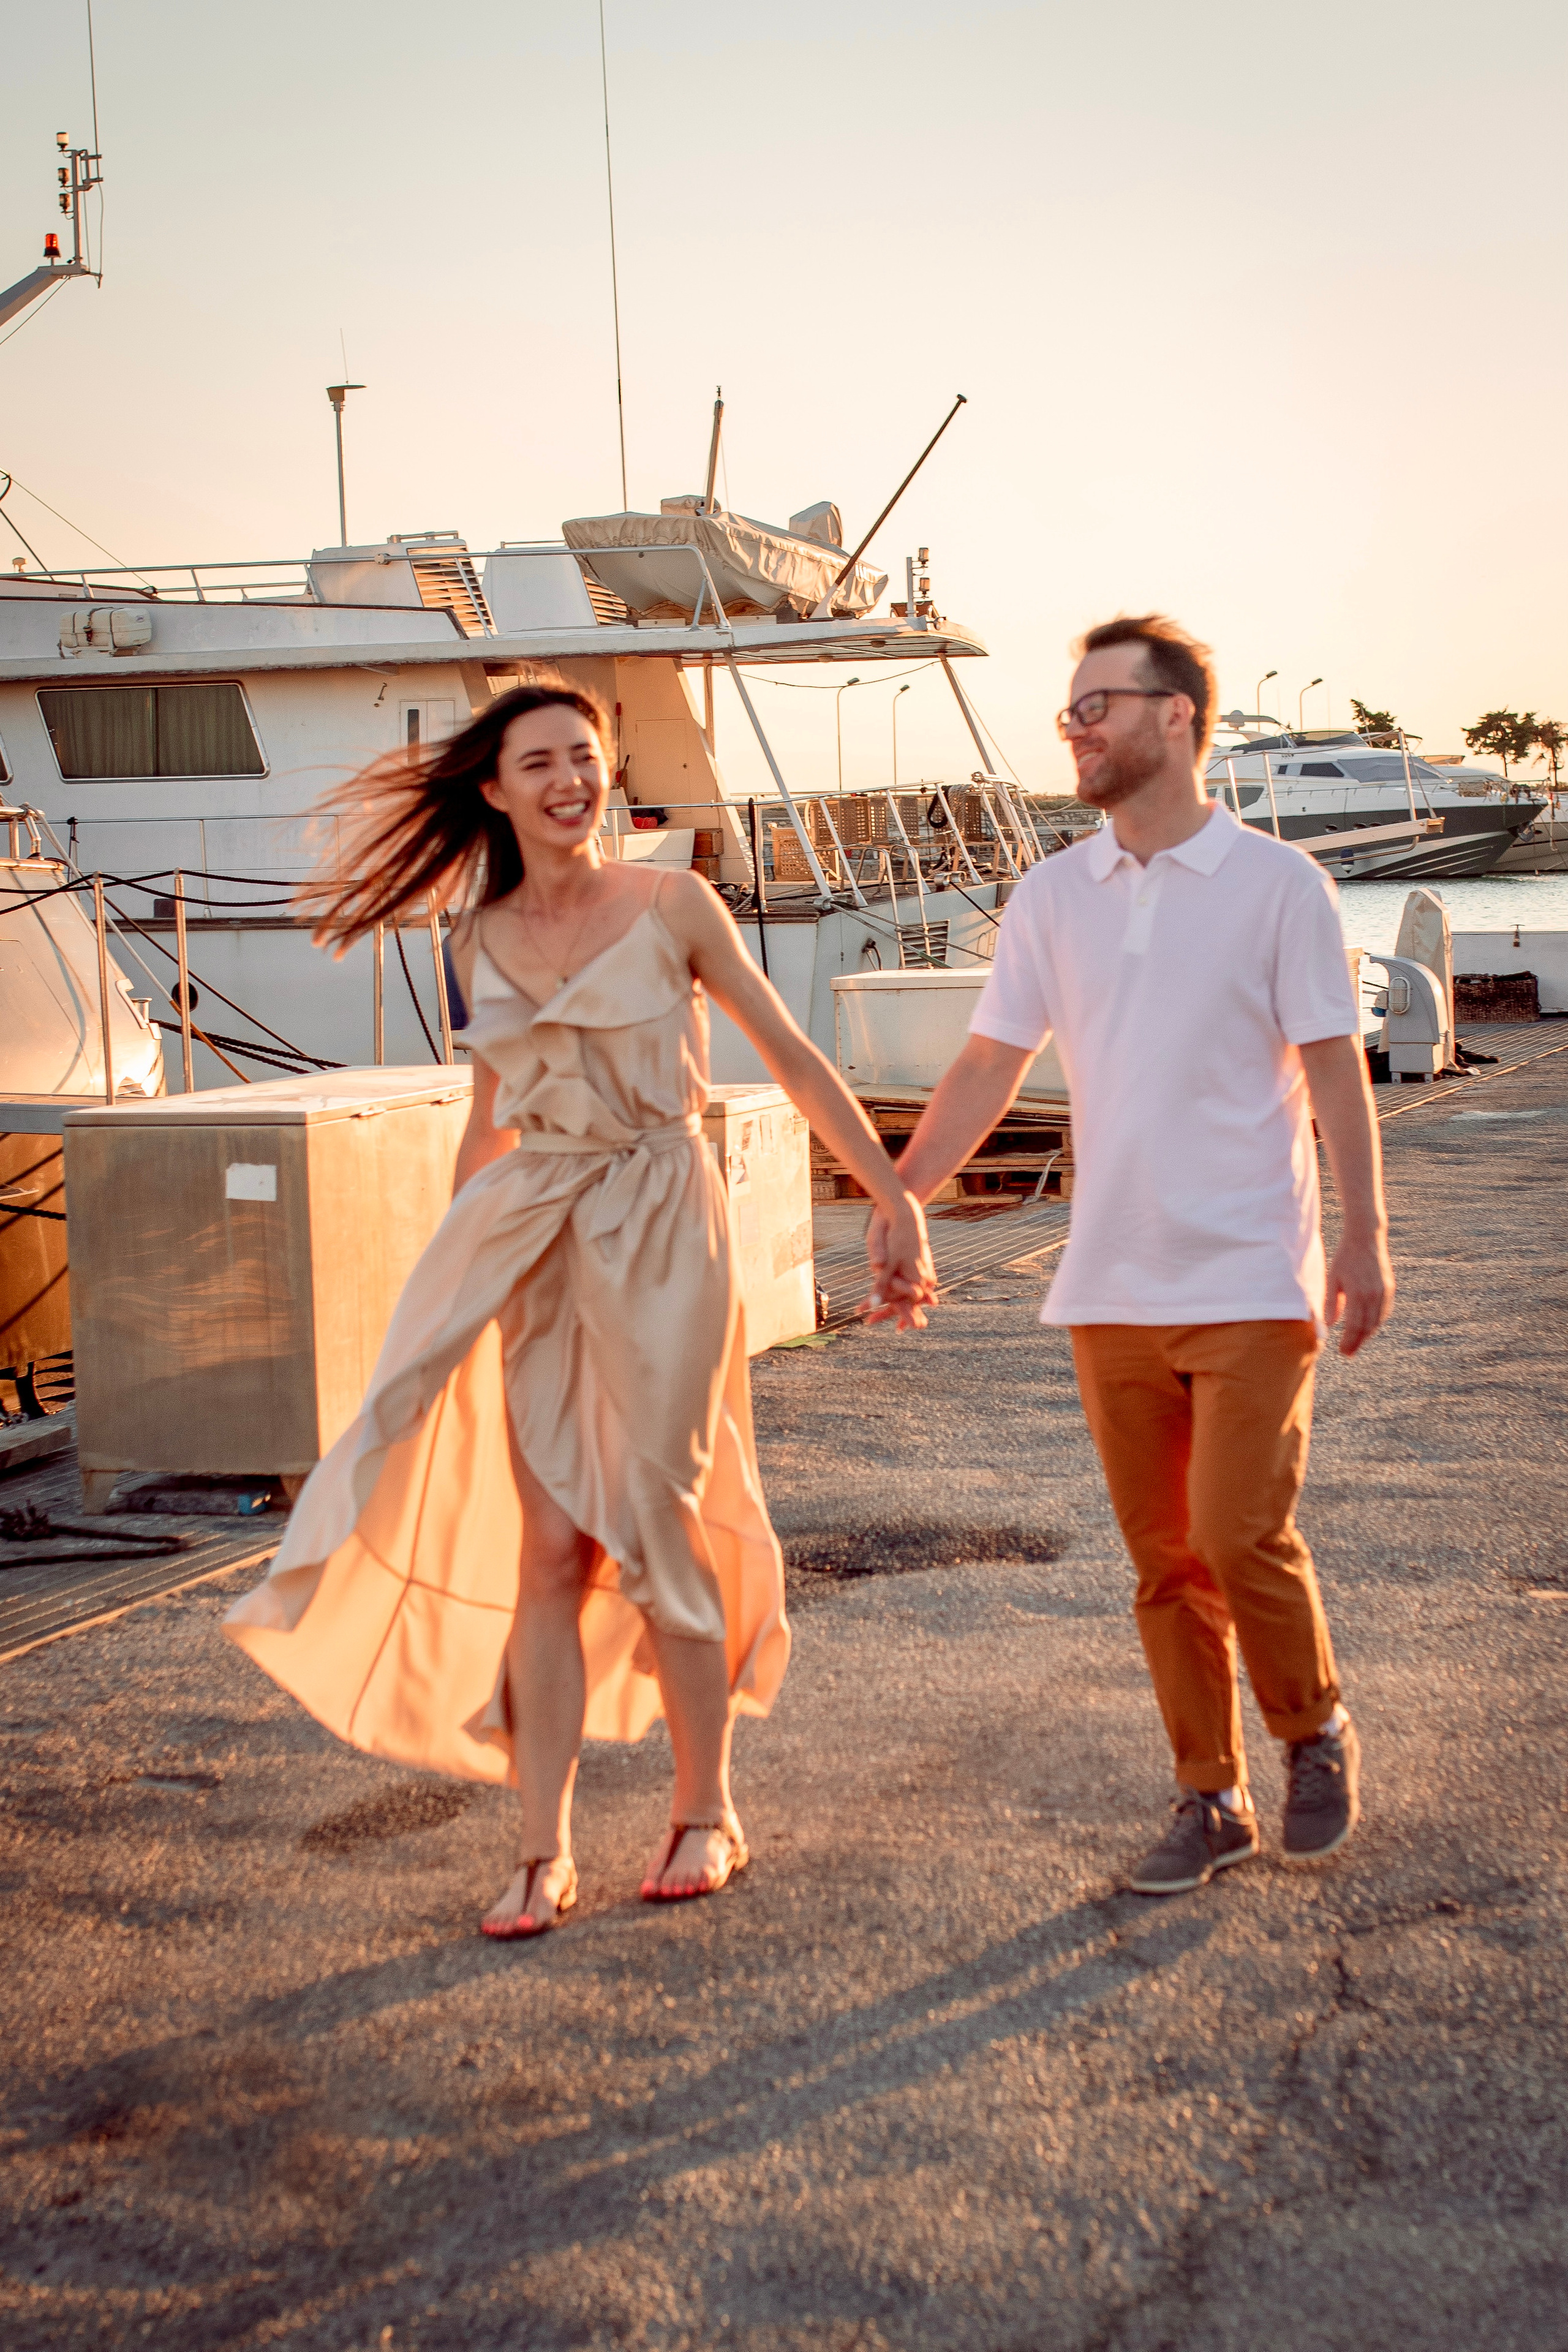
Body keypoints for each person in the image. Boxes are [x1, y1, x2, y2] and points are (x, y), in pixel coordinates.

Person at [226, 681, 935, 1936]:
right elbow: (487, 1121)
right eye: (539, 760)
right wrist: (458, 1270)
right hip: (535, 1231)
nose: (570, 779)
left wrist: (889, 1193)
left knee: (659, 1517)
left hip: (663, 1217)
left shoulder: (674, 904)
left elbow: (787, 1054)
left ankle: (704, 1808)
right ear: (493, 789)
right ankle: (541, 1849)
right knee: (548, 1548)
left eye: (586, 758)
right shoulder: (476, 938)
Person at [867, 616, 1393, 1894]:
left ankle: (1309, 1727)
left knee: (1233, 1530)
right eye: (1069, 712)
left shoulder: (1278, 887)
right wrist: (898, 1195)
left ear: (1175, 718)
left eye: (1097, 705)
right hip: (1107, 1283)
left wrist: (1364, 1237)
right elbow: (990, 1061)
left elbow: (1332, 1068)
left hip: (1250, 1272)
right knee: (1161, 1563)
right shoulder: (1050, 895)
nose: (1076, 730)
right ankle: (1205, 1798)